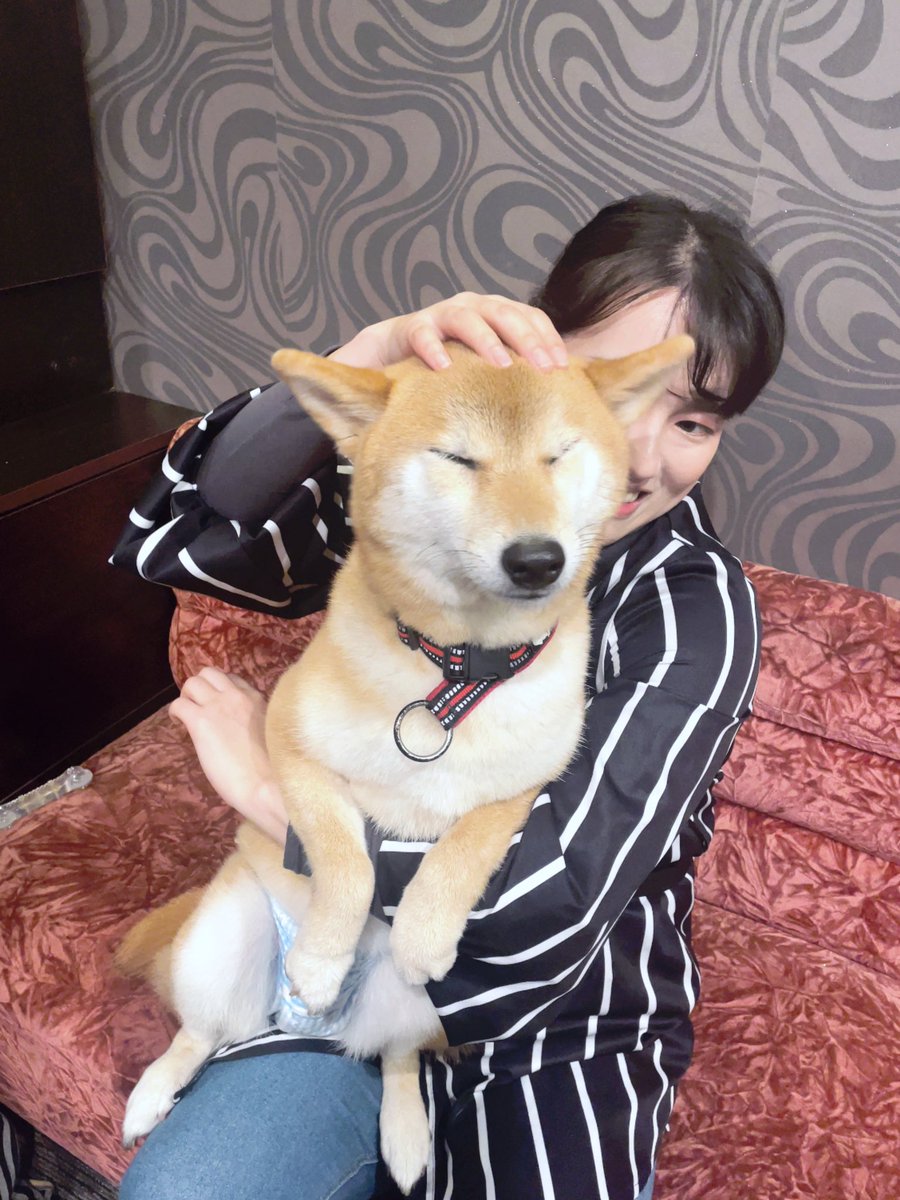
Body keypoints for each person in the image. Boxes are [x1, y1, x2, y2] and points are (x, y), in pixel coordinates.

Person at [115, 194, 784, 1200]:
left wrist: (270, 799)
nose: (640, 455)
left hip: (567, 1016)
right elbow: (192, 533)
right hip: (345, 955)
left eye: (693, 420)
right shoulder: (425, 489)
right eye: (606, 385)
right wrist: (374, 355)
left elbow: (541, 909)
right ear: (530, 346)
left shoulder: (693, 610)